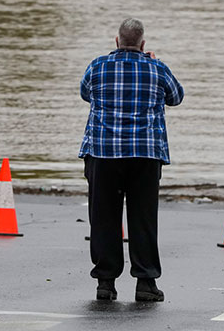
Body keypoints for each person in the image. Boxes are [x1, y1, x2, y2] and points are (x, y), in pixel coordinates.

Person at [79, 18, 184, 302]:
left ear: (117, 41)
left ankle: (105, 283)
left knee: (103, 218)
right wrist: (154, 62)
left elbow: (85, 94)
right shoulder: (157, 68)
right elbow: (176, 97)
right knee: (143, 219)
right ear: (142, 43)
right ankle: (146, 283)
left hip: (103, 153)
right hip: (145, 155)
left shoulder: (97, 66)